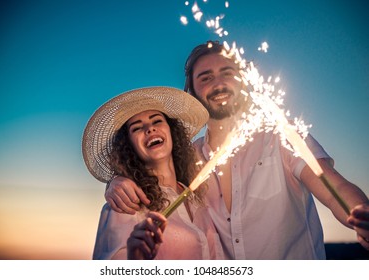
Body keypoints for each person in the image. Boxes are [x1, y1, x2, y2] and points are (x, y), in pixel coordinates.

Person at [104, 41, 369, 259]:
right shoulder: (190, 159)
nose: (218, 83)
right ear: (193, 92)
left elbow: (334, 190)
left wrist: (359, 214)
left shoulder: (281, 135)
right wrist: (117, 181)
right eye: (205, 77)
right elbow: (151, 166)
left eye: (227, 73)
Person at [82, 86, 224, 260]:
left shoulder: (198, 196)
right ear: (130, 147)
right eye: (136, 128)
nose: (149, 129)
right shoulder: (126, 204)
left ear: (171, 130)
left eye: (156, 121)